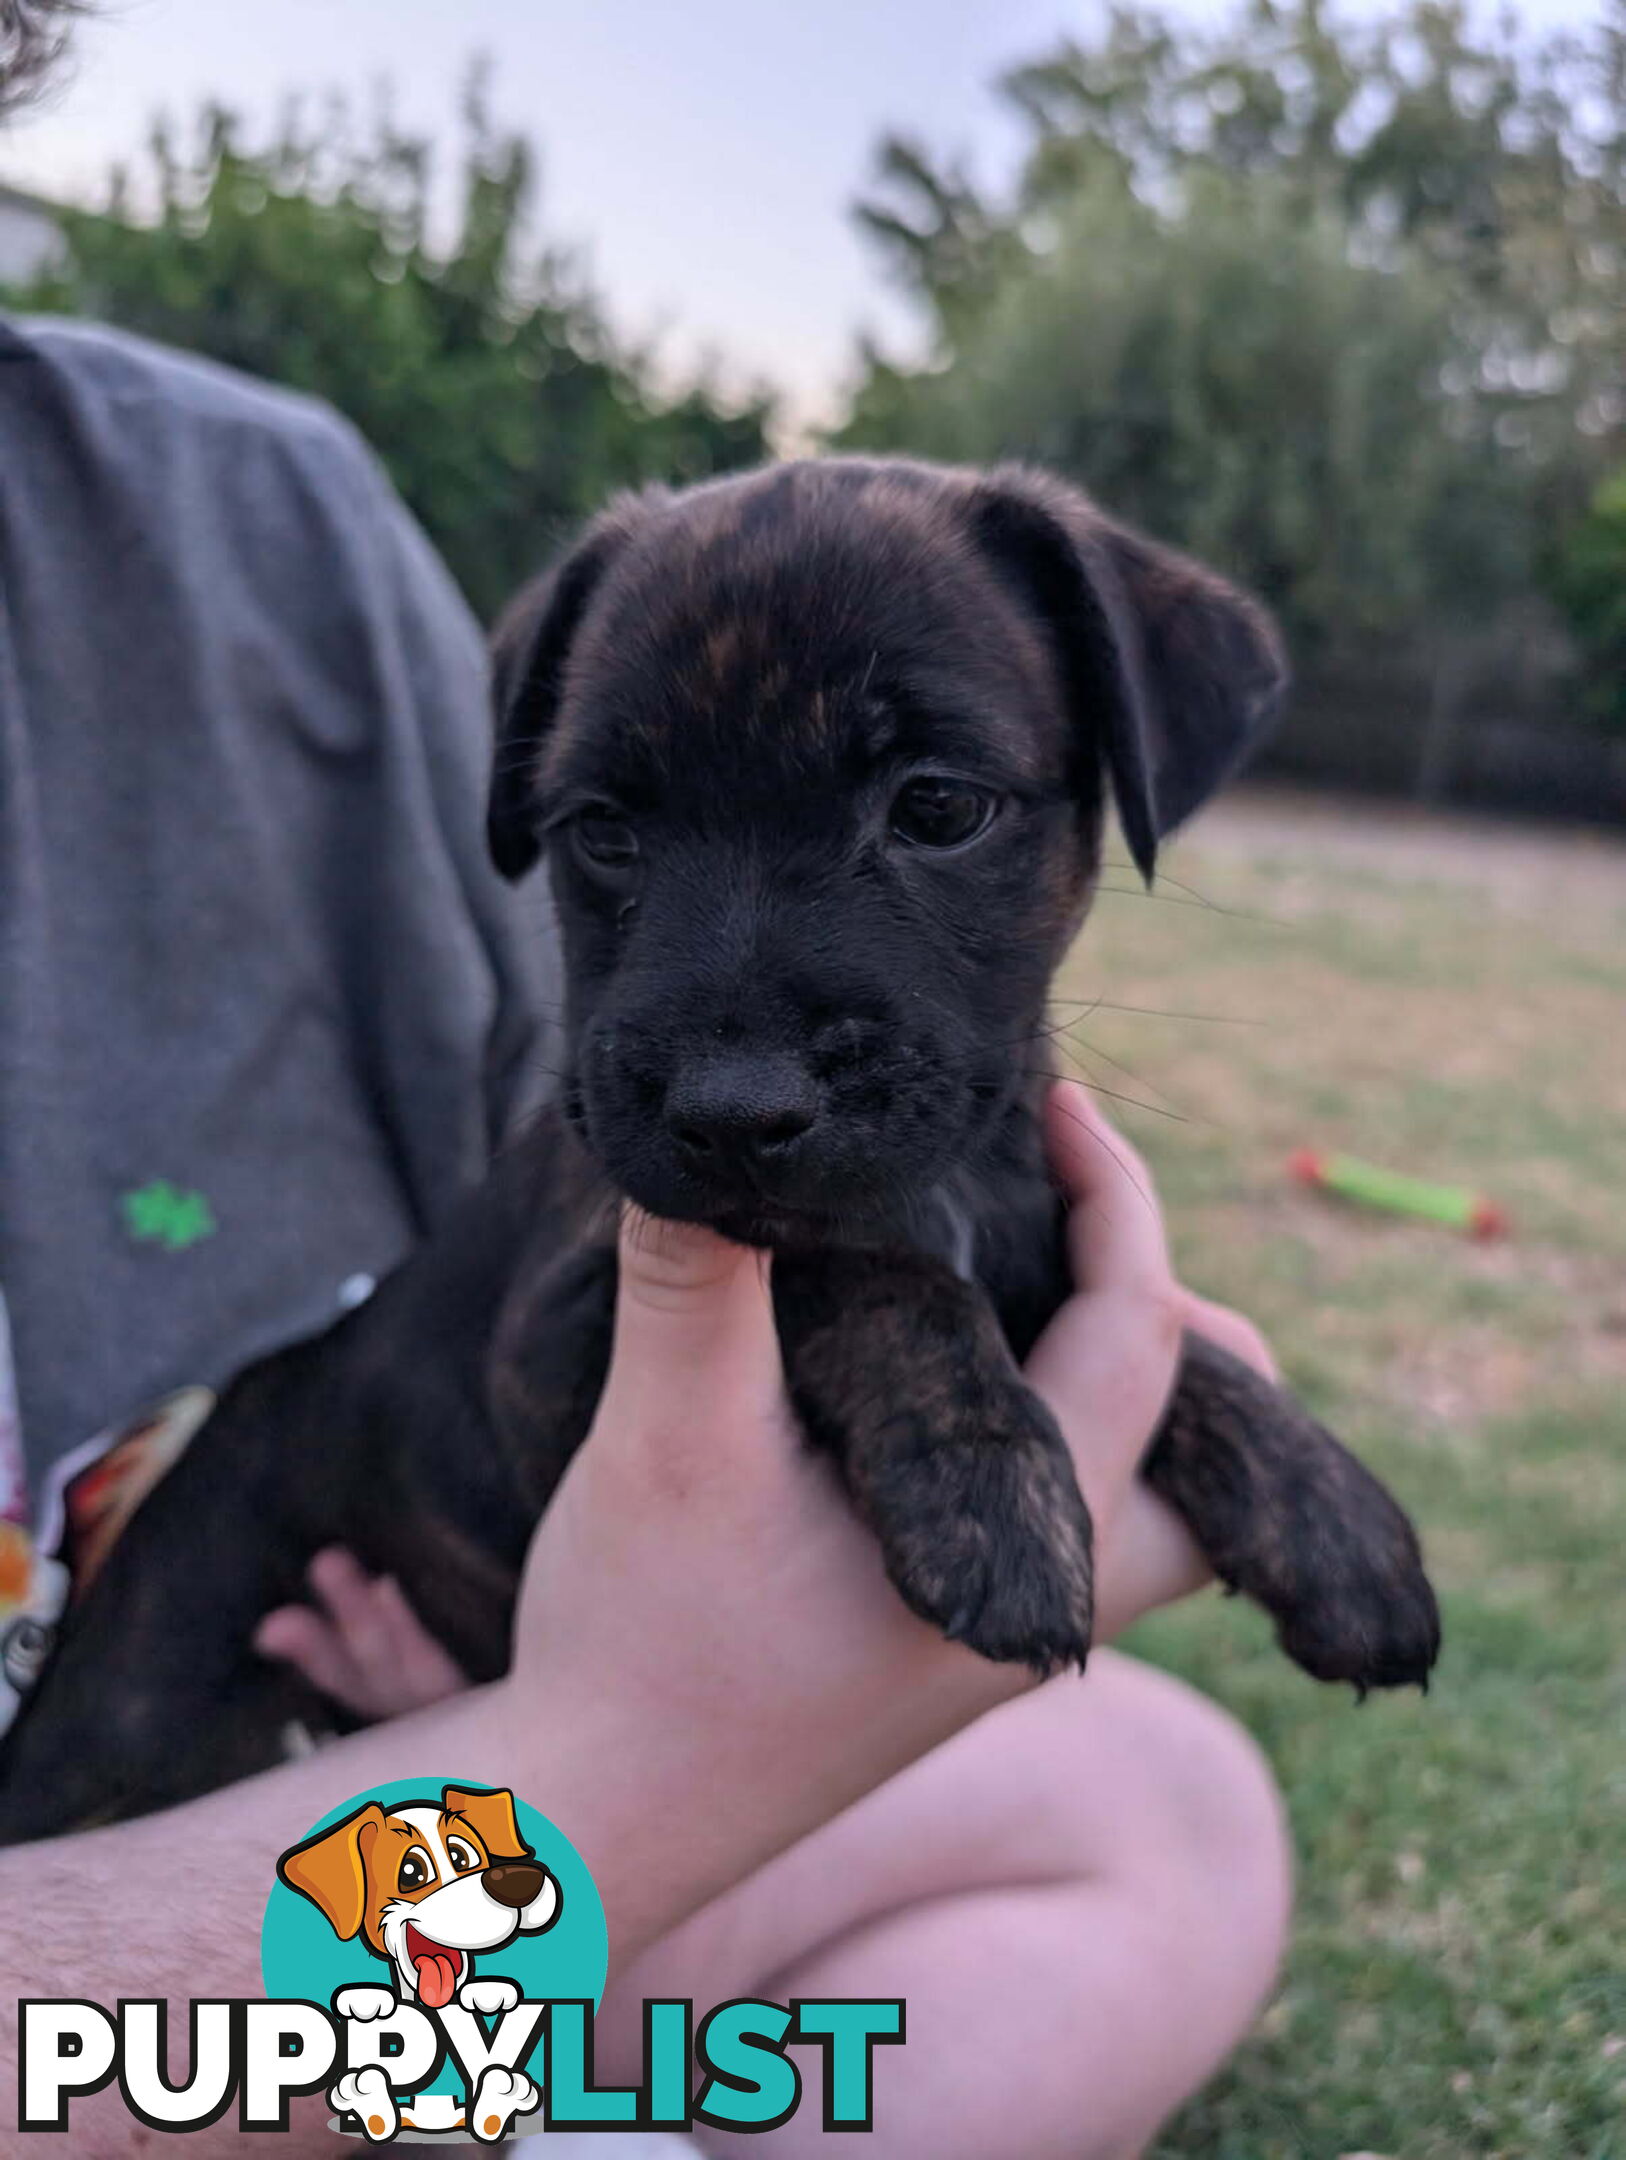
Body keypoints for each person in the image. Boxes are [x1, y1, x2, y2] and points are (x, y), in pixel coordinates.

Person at [0, 7, 1291, 2153]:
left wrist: (491, 1769)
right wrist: (615, 1770)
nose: (742, 1037)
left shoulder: (257, 538)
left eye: (933, 813)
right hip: (182, 1886)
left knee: (1168, 1800)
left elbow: (584, 1305)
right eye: (613, 840)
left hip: (354, 1818)